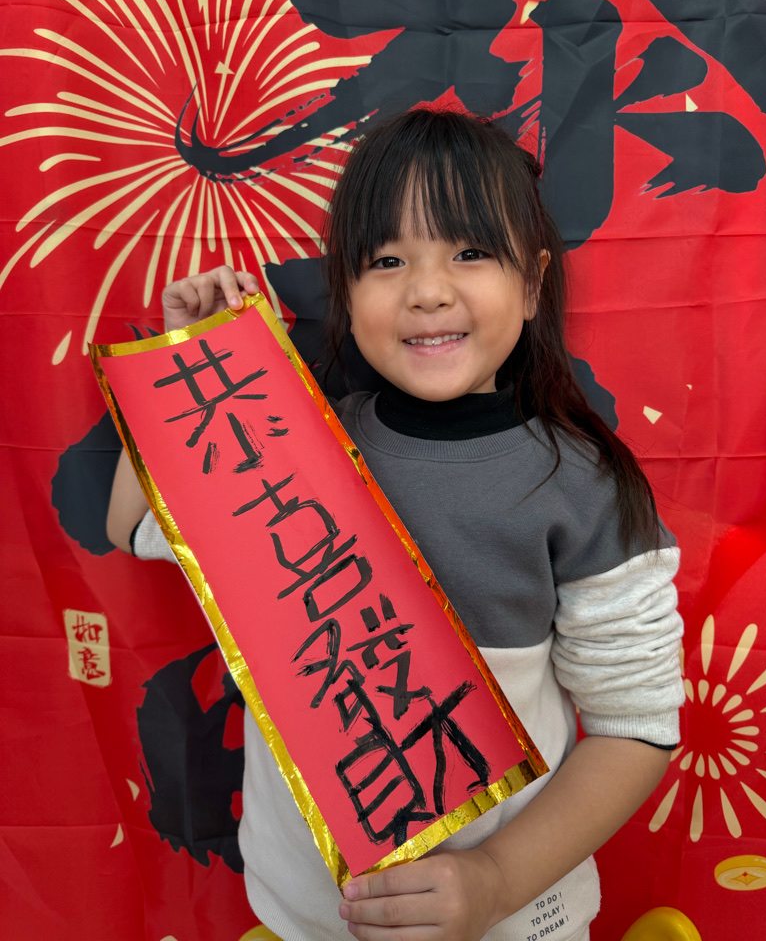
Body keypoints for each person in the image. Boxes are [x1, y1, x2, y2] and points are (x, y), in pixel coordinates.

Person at [107, 108, 685, 941]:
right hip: (307, 913)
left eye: (470, 252)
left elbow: (637, 726)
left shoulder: (581, 486)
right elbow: (130, 526)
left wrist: (493, 881)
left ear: (532, 284)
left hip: (512, 917)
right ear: (344, 292)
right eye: (386, 260)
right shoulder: (294, 447)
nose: (427, 290)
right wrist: (191, 368)